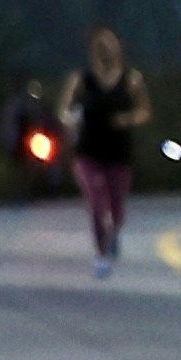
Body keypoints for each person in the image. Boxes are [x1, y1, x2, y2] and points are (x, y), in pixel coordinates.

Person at [61, 29, 151, 275]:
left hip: (119, 153)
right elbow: (65, 109)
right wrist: (71, 119)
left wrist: (128, 119)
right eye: (99, 46)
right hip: (88, 151)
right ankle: (101, 253)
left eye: (109, 46)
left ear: (118, 49)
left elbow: (144, 110)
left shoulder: (132, 80)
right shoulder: (81, 79)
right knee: (96, 202)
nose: (104, 52)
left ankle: (114, 233)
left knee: (116, 206)